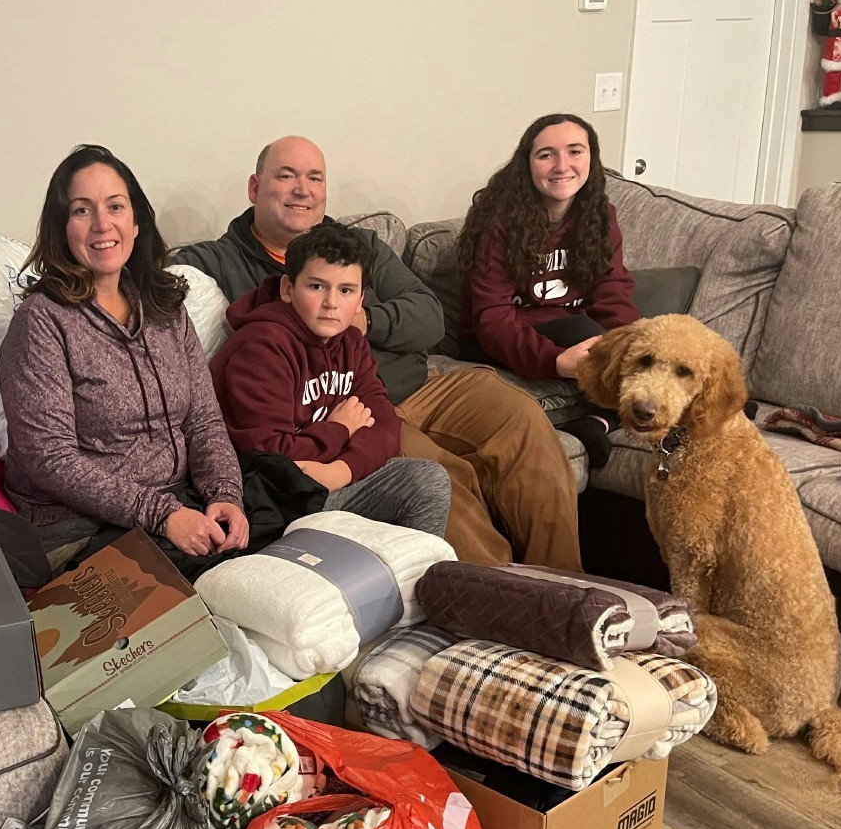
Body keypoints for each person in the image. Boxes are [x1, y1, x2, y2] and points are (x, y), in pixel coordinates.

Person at [172, 136, 582, 570]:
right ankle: (500, 595)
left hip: (418, 384)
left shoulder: (357, 246)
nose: (303, 190)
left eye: (315, 177)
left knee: (522, 419)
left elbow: (429, 317)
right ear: (255, 188)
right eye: (286, 176)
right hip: (341, 406)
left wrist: (364, 320)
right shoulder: (217, 262)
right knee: (441, 474)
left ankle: (566, 582)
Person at [0, 144, 249, 569]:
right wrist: (162, 514)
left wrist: (225, 494)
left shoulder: (165, 307)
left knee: (280, 527)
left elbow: (203, 420)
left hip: (179, 503)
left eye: (115, 206)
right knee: (222, 584)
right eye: (81, 210)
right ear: (62, 229)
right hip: (79, 528)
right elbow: (50, 457)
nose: (102, 224)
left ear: (136, 222)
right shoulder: (41, 320)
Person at [210, 221, 451, 537]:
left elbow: (385, 425)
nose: (332, 303)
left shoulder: (350, 340)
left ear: (361, 298)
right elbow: (270, 458)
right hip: (268, 497)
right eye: (316, 287)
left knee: (427, 480)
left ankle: (421, 580)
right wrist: (340, 429)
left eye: (346, 290)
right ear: (287, 288)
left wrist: (341, 470)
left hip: (326, 475)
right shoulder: (261, 348)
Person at [456, 113, 640, 469]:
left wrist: (631, 344)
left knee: (625, 341)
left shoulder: (600, 215)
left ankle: (597, 422)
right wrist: (555, 362)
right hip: (492, 340)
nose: (562, 166)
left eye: (575, 152)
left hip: (570, 327)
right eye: (546, 155)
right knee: (586, 332)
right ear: (527, 163)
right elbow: (492, 321)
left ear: (592, 158)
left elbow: (612, 291)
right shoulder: (498, 224)